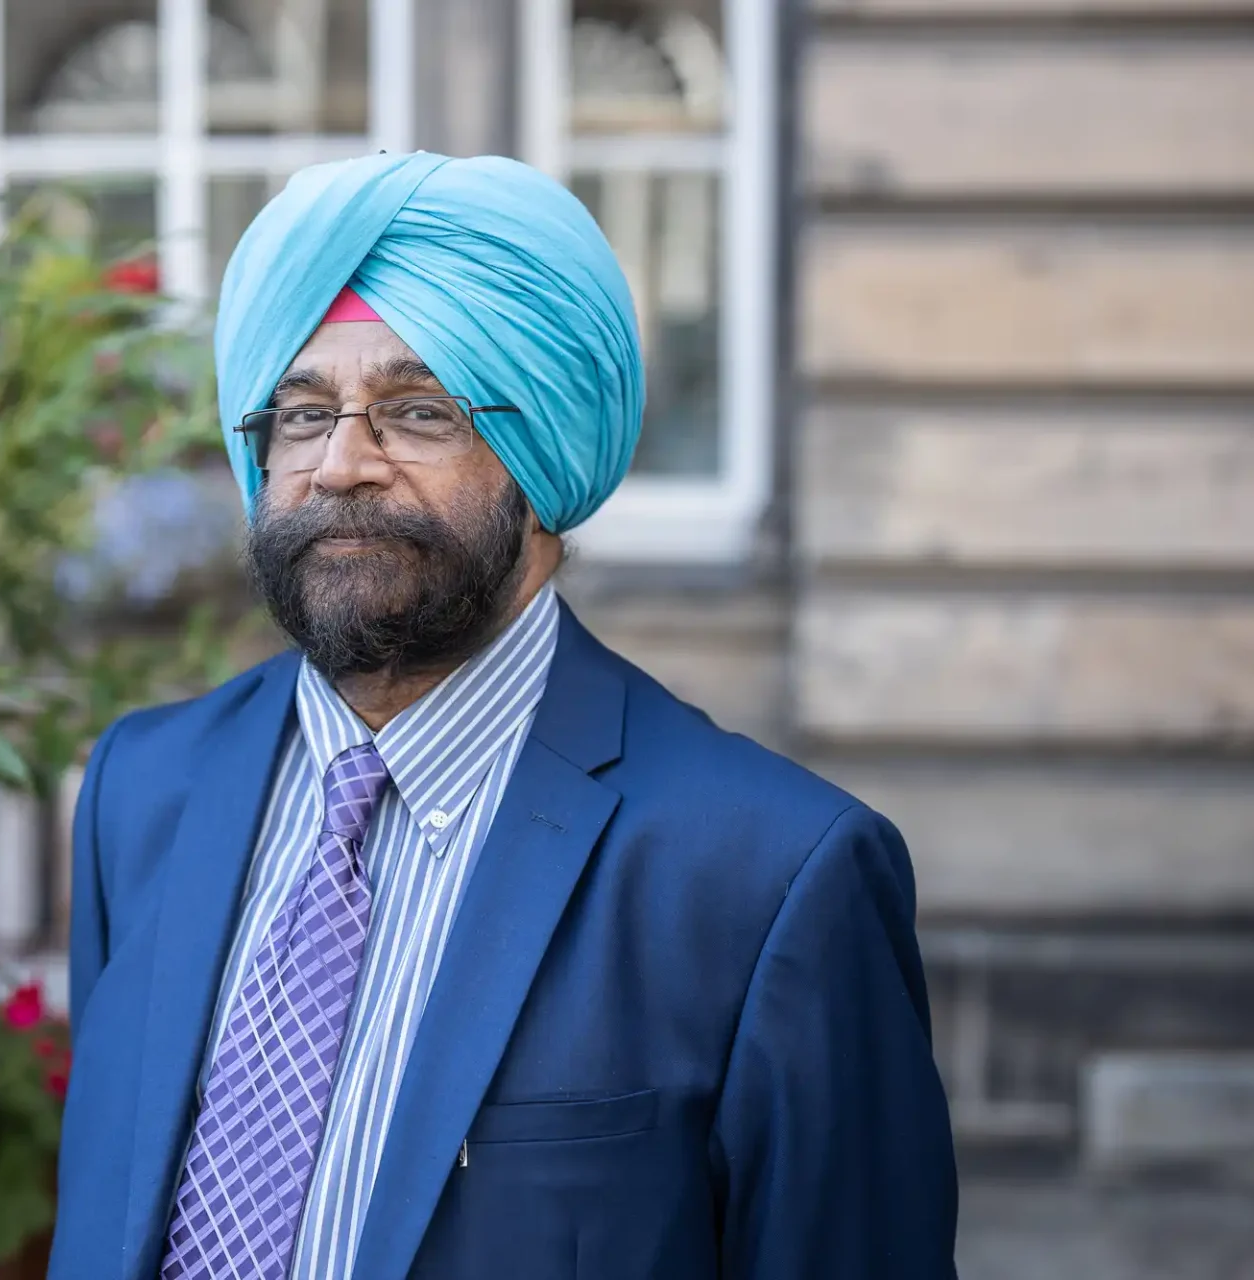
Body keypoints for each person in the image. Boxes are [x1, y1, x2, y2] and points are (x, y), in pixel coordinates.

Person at [49, 151, 957, 1280]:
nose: (340, 464)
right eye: (301, 410)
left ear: (543, 464)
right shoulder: (144, 790)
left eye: (417, 410)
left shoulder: (770, 875)